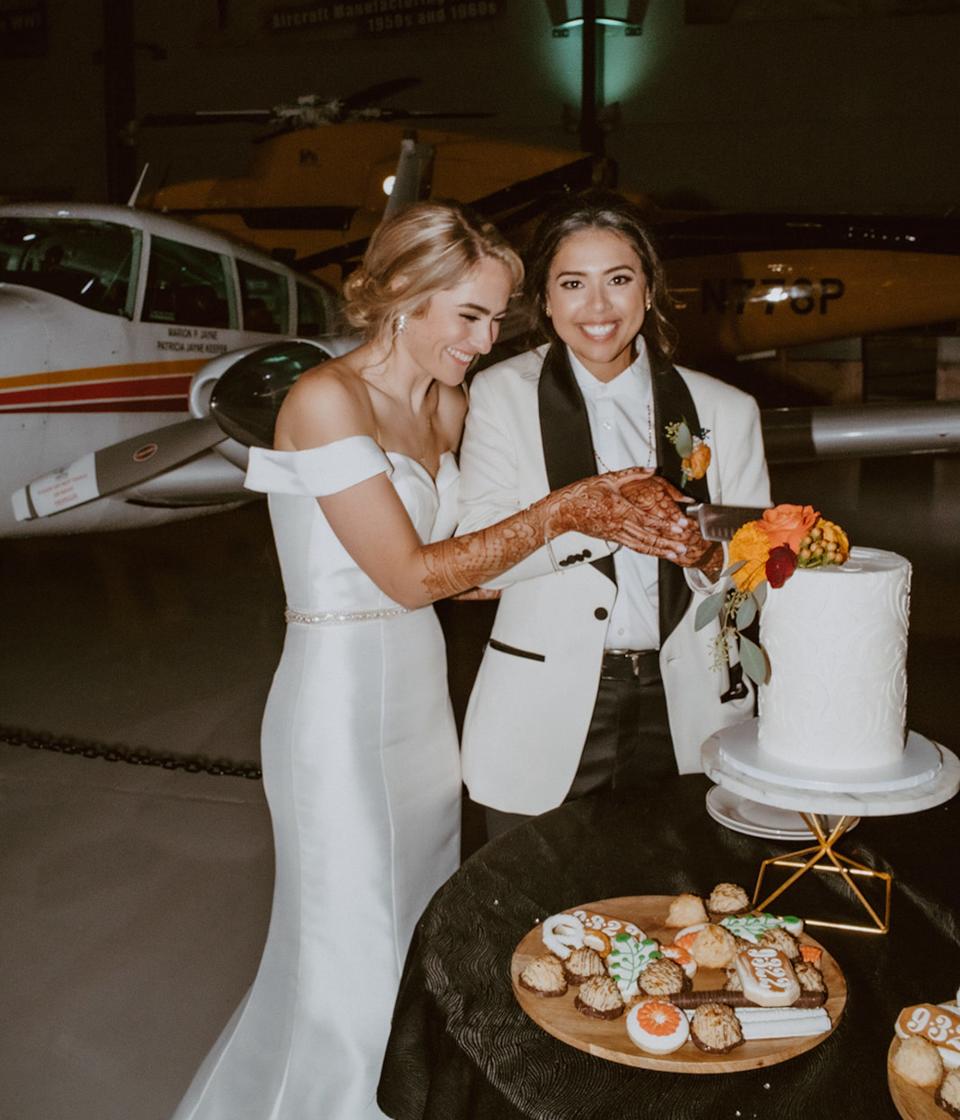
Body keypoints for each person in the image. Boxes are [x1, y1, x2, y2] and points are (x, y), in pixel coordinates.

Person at [168, 201, 691, 1120]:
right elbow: (409, 576)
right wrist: (566, 511)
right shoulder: (324, 400)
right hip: (336, 702)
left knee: (416, 925)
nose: (487, 341)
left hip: (420, 702)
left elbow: (462, 577)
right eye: (470, 316)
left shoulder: (445, 404)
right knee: (351, 938)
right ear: (402, 298)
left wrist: (587, 551)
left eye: (497, 318)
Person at [456, 189, 772, 838]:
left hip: (687, 704)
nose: (597, 307)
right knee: (529, 911)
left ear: (649, 290)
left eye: (619, 280)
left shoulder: (727, 410)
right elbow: (475, 552)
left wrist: (707, 554)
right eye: (573, 283)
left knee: (675, 912)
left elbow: (761, 566)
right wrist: (577, 516)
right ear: (544, 298)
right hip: (546, 706)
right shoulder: (500, 395)